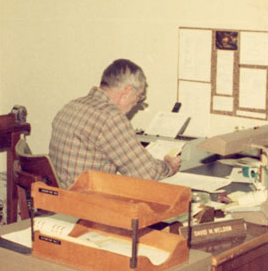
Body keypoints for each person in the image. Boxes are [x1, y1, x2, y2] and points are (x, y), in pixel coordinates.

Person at [49, 58, 181, 189]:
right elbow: (146, 174)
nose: (136, 103)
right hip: (87, 203)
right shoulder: (111, 117)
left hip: (60, 199)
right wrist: (169, 166)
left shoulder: (71, 106)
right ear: (127, 91)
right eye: (139, 97)